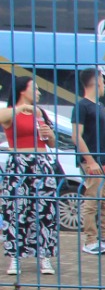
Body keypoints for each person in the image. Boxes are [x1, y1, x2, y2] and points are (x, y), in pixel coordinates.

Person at [1, 75, 60, 275]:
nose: (38, 92)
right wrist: (21, 109)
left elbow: (51, 143)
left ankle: (44, 257)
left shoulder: (41, 113)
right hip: (19, 164)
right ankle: (14, 258)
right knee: (16, 211)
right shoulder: (11, 113)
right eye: (34, 88)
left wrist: (50, 135)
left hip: (41, 164)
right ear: (22, 90)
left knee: (44, 211)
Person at [73, 68, 105, 257]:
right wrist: (90, 160)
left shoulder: (100, 106)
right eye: (103, 81)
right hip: (93, 164)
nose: (104, 86)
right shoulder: (82, 106)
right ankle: (90, 240)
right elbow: (76, 136)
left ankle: (104, 236)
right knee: (92, 201)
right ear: (95, 82)